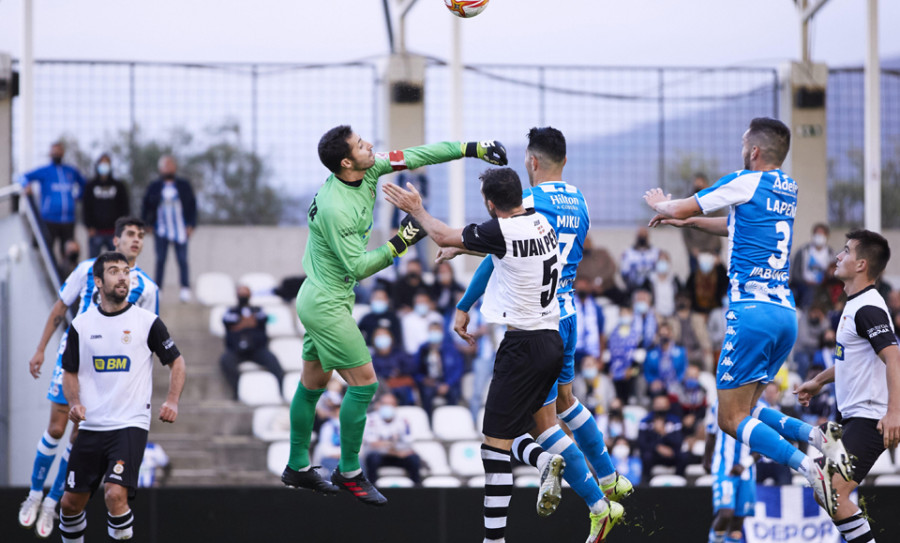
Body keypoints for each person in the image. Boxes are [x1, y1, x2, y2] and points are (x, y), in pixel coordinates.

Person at [385, 165, 622, 543]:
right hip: (551, 340)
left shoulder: (502, 232)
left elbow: (443, 232)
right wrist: (463, 243)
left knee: (493, 445)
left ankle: (494, 537)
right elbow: (487, 244)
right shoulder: (541, 224)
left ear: (490, 204)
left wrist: (417, 209)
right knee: (532, 425)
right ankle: (591, 488)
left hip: (522, 346)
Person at [282, 124, 507, 506]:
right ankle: (350, 470)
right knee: (365, 384)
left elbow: (417, 155)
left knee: (312, 385)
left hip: (319, 295)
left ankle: (297, 466)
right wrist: (401, 242)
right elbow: (357, 267)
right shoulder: (336, 208)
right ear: (345, 162)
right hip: (326, 304)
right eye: (360, 144)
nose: (370, 145)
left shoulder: (366, 169)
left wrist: (472, 148)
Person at [644, 117, 853, 516]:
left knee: (728, 418)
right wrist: (688, 222)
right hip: (783, 314)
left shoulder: (746, 179)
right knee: (750, 411)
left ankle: (811, 468)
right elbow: (737, 226)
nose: (742, 148)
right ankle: (817, 437)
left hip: (750, 313)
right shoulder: (786, 188)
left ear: (754, 151)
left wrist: (664, 205)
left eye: (744, 143)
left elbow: (680, 202)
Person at [18, 217, 158, 539]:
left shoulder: (147, 288)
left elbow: (150, 335)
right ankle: (35, 494)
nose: (136, 241)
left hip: (106, 372)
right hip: (72, 355)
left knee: (78, 436)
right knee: (56, 426)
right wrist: (40, 349)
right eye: (130, 235)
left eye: (141, 236)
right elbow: (59, 308)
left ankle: (54, 502)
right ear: (116, 240)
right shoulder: (86, 269)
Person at [57, 251, 185, 543]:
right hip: (92, 426)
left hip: (129, 424)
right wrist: (75, 403)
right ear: (99, 281)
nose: (123, 277)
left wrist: (172, 400)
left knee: (115, 495)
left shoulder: (147, 321)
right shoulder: (81, 325)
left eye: (126, 271)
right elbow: (70, 371)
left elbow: (177, 361)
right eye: (114, 271)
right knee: (69, 504)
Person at [796, 230, 900, 542]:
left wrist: (894, 412)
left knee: (831, 491)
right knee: (824, 493)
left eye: (846, 251)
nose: (838, 256)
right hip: (854, 418)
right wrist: (818, 381)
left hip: (871, 418)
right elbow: (849, 359)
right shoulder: (855, 305)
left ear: (861, 265)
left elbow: (893, 357)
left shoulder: (868, 307)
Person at [18, 141, 86, 269]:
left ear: (63, 153)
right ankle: (47, 277)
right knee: (45, 250)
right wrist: (26, 185)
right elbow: (21, 177)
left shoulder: (70, 171)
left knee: (69, 252)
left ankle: (66, 278)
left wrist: (78, 197)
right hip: (49, 220)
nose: (57, 154)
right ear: (50, 153)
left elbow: (84, 184)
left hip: (68, 220)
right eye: (54, 151)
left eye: (59, 151)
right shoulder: (45, 171)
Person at [703, 398, 761, 543]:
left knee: (739, 519)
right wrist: (706, 460)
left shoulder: (760, 408)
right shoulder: (718, 405)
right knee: (725, 513)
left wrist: (745, 464)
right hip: (724, 467)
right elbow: (711, 434)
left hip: (747, 471)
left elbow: (762, 444)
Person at [141, 155, 197, 302]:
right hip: (161, 230)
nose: (169, 168)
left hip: (180, 229)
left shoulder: (184, 185)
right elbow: (146, 205)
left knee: (182, 260)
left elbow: (192, 205)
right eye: (166, 165)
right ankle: (158, 289)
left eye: (171, 164)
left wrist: (191, 224)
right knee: (160, 259)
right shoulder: (154, 186)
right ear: (161, 168)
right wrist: (147, 224)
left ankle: (185, 289)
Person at [219, 284, 285, 399]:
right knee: (225, 361)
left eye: (245, 293)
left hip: (258, 349)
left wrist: (239, 325)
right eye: (241, 293)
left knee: (274, 363)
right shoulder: (231, 311)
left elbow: (263, 319)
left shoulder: (258, 310)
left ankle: (281, 393)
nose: (243, 295)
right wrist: (249, 322)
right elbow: (227, 321)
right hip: (236, 350)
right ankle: (237, 393)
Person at [363, 393, 422, 485]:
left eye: (391, 404)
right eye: (385, 404)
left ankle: (417, 490)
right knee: (373, 459)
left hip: (398, 456)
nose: (388, 407)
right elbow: (373, 443)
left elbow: (407, 442)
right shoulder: (370, 419)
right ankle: (372, 489)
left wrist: (388, 445)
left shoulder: (403, 420)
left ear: (396, 406)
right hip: (380, 456)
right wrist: (393, 447)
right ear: (379, 405)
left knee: (414, 459)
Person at [83, 154, 131, 258]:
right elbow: (86, 207)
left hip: (114, 233)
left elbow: (125, 207)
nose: (104, 166)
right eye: (102, 163)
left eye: (107, 163)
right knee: (93, 264)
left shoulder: (119, 185)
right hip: (96, 232)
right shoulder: (90, 186)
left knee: (116, 263)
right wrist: (89, 226)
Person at [413, 320, 464, 416]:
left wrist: (447, 384)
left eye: (437, 331)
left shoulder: (450, 348)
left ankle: (452, 420)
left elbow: (458, 369)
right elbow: (416, 370)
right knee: (426, 394)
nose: (434, 334)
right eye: (432, 331)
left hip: (448, 382)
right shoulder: (423, 349)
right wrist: (423, 379)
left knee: (454, 394)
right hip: (430, 383)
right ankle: (429, 422)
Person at [681, 173, 723, 274]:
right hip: (695, 251)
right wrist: (692, 249)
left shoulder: (714, 202)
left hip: (712, 250)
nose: (698, 186)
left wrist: (713, 250)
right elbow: (685, 231)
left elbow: (719, 224)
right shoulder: (687, 203)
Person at [791, 223, 835, 310]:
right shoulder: (803, 251)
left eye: (822, 234)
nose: (819, 237)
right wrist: (806, 281)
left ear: (827, 236)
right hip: (803, 286)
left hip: (823, 286)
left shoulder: (831, 253)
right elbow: (795, 274)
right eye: (817, 234)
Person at [371, 326, 417, 405]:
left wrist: (399, 373)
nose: (382, 339)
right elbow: (374, 377)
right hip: (383, 392)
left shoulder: (399, 353)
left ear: (391, 338)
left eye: (384, 336)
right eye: (379, 336)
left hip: (402, 389)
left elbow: (411, 369)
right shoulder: (372, 359)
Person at [643, 321, 687, 391]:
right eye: (661, 334)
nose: (664, 337)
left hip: (676, 384)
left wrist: (676, 381)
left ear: (671, 334)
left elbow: (684, 370)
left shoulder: (680, 352)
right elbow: (647, 372)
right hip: (658, 385)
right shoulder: (651, 354)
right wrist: (653, 381)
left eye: (666, 334)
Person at [620, 226, 659, 295]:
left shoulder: (656, 252)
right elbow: (624, 273)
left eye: (644, 235)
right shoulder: (628, 253)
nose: (642, 238)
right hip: (634, 287)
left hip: (652, 287)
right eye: (640, 235)